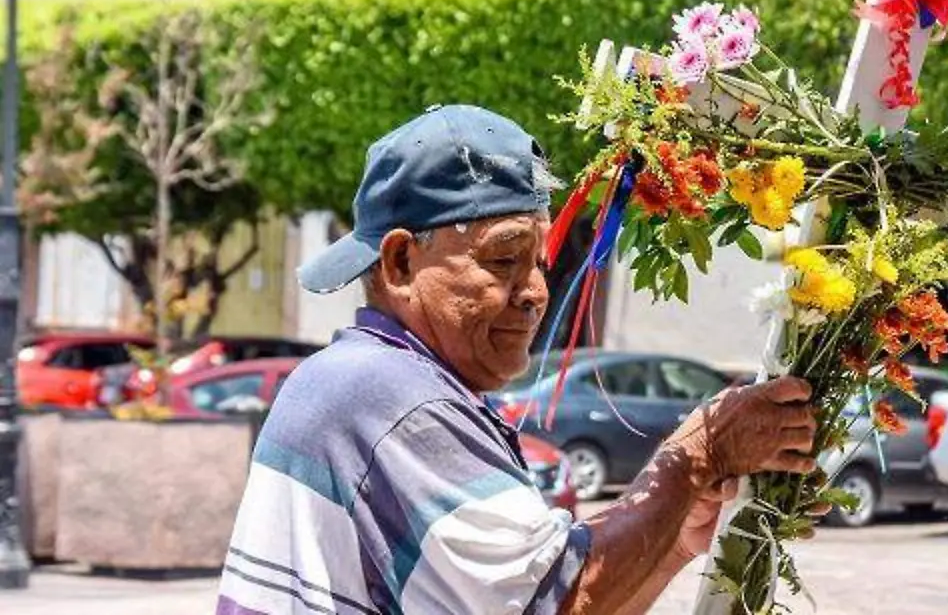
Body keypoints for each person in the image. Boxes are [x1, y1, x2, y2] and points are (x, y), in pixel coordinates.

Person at [216, 105, 822, 615]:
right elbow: (555, 602)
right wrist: (697, 456)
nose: (535, 291)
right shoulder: (390, 397)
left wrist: (670, 541)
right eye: (503, 260)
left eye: (538, 260)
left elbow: (541, 587)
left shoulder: (363, 379)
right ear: (400, 263)